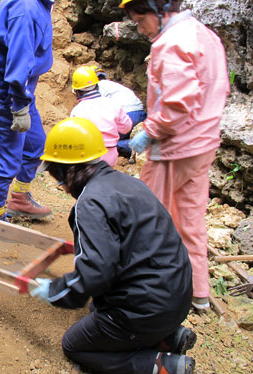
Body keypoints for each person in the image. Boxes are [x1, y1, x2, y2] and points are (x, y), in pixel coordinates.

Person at [32, 117, 196, 374]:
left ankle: (157, 365)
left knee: (75, 345)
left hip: (148, 310)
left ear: (65, 170)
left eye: (56, 175)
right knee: (98, 307)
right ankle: (169, 338)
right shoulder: (128, 183)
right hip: (178, 294)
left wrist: (57, 290)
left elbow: (96, 273)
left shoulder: (90, 204)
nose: (60, 184)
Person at [121, 0, 230, 310]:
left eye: (140, 19)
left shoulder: (171, 44)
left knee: (148, 219)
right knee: (191, 219)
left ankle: (142, 290)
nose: (139, 27)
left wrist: (149, 133)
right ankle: (198, 293)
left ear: (157, 6)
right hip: (203, 144)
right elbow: (218, 89)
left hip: (174, 149)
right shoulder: (205, 35)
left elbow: (176, 105)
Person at [0, 0, 60, 220]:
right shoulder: (25, 3)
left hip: (20, 87)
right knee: (7, 160)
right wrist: (19, 104)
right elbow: (18, 58)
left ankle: (20, 199)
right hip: (9, 87)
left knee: (36, 146)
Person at [70, 66, 132, 167]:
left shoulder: (77, 111)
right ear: (97, 86)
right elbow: (127, 127)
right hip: (111, 155)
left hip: (89, 156)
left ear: (77, 91)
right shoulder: (112, 104)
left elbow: (73, 137)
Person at [91, 65, 147, 158]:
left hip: (127, 115)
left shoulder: (98, 87)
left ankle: (129, 147)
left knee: (106, 142)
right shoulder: (112, 85)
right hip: (140, 113)